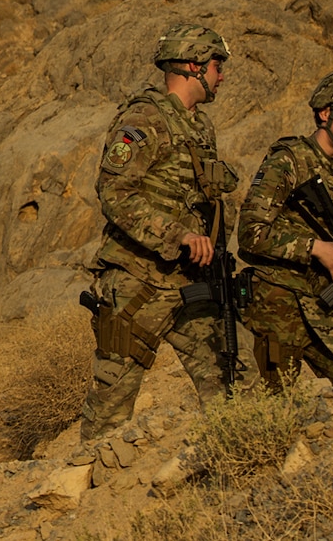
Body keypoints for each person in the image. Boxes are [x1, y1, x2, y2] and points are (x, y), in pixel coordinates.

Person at [79, 24, 242, 440]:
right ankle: (87, 492)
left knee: (237, 383)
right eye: (216, 65)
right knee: (110, 409)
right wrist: (177, 236)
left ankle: (238, 470)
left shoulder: (200, 128)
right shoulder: (144, 119)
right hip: (139, 284)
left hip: (192, 282)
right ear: (192, 65)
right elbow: (114, 191)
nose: (222, 75)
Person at [236, 70, 333, 389]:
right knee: (269, 410)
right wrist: (316, 249)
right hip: (276, 307)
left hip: (329, 307)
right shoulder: (287, 163)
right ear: (324, 113)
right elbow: (250, 233)